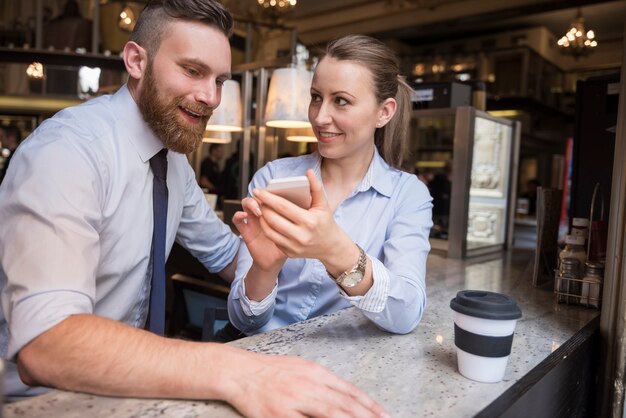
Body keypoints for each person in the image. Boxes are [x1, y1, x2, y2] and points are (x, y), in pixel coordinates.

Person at [0, 2, 388, 417]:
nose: (210, 97)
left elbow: (227, 255)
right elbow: (47, 344)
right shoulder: (66, 153)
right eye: (192, 71)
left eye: (220, 80)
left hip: (130, 391)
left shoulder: (172, 163)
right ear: (136, 61)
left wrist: (324, 263)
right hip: (42, 402)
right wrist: (241, 370)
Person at [230, 35, 433, 336]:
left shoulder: (407, 195)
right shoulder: (272, 178)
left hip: (342, 369)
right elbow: (242, 321)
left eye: (341, 101)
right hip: (267, 364)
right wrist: (265, 268)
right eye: (316, 97)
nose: (320, 117)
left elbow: (406, 315)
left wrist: (335, 250)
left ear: (384, 112)